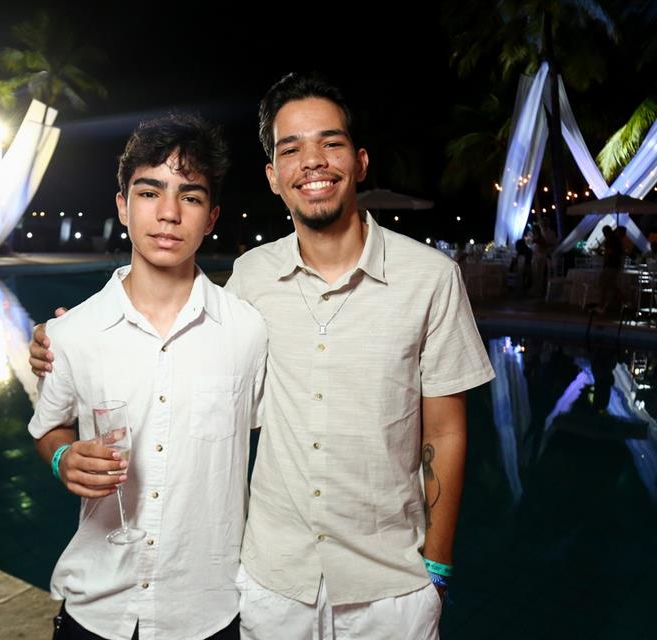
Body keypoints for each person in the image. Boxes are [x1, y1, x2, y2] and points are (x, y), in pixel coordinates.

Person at [31, 73, 495, 639]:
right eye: (291, 149)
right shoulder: (250, 281)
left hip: (389, 587)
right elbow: (149, 344)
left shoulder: (429, 278)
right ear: (273, 176)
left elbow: (445, 431)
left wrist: (437, 569)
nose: (313, 161)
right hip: (273, 588)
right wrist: (62, 340)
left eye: (330, 143)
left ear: (360, 161)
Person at [28, 114, 267, 640]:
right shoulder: (72, 333)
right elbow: (49, 428)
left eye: (190, 196)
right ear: (122, 206)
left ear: (211, 216)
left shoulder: (248, 332)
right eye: (149, 192)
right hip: (97, 608)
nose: (168, 213)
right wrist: (64, 458)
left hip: (207, 612)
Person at [598, 225, 624, 313]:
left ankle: (601, 306)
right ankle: (624, 302)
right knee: (610, 285)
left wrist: (603, 252)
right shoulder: (617, 240)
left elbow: (610, 252)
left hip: (610, 266)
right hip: (614, 265)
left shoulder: (610, 240)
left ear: (606, 232)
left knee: (604, 285)